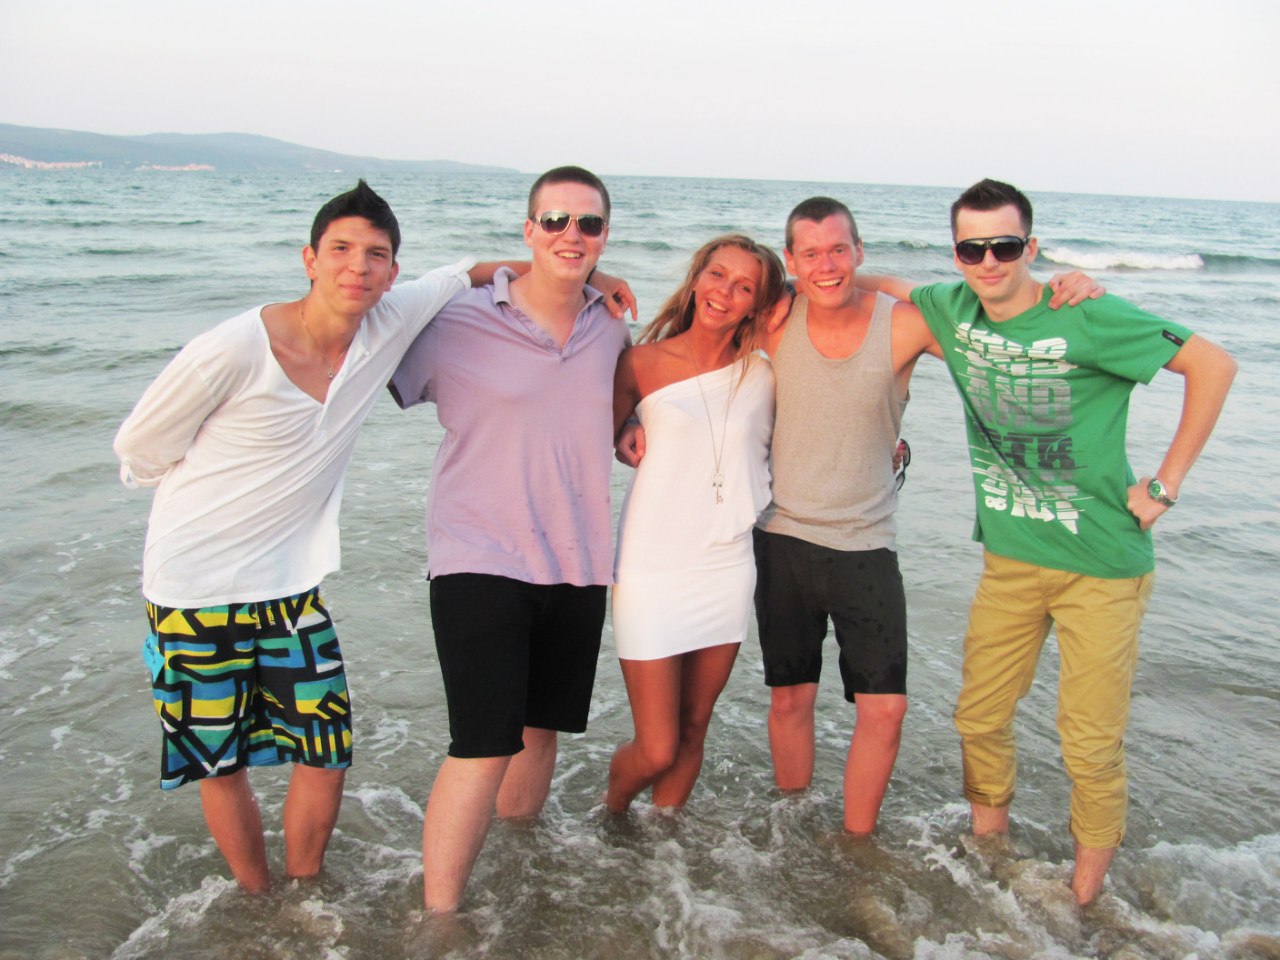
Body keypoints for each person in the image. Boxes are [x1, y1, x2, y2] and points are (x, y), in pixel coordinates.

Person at [618, 197, 1096, 836]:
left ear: (860, 251)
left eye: (839, 251)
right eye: (811, 254)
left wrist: (1063, 291)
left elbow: (985, 321)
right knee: (788, 700)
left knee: (885, 709)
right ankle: (786, 827)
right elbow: (664, 376)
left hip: (866, 544)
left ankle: (855, 843)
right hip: (778, 540)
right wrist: (628, 422)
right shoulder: (775, 322)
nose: (826, 264)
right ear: (792, 262)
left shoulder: (898, 325)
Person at [862, 178, 1236, 904]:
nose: (988, 261)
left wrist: (1165, 485)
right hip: (1010, 562)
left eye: (1005, 246)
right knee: (979, 717)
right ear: (956, 253)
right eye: (972, 248)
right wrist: (817, 275)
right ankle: (990, 852)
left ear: (1030, 247)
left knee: (1089, 743)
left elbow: (1213, 365)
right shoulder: (951, 308)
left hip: (1102, 567)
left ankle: (1083, 902)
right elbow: (873, 283)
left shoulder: (1086, 314)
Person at [115, 181, 497, 892]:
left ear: (392, 271)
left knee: (326, 752)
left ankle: (304, 892)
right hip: (192, 590)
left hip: (292, 589)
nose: (358, 266)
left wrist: (595, 277)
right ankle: (257, 898)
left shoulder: (389, 321)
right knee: (219, 761)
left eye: (375, 255)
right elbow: (139, 448)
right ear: (310, 259)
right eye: (341, 249)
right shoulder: (231, 349)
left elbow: (470, 271)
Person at [389, 166, 631, 913]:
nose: (571, 234)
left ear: (605, 236)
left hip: (578, 560)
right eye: (555, 220)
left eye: (588, 224)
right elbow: (369, 335)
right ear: (528, 230)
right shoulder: (455, 320)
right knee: (483, 742)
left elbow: (625, 405)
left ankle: (517, 880)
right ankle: (440, 924)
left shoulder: (612, 325)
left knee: (539, 730)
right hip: (477, 556)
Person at [606, 235, 786, 813]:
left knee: (693, 726)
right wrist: (624, 429)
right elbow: (594, 438)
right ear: (696, 277)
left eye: (744, 287)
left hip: (727, 563)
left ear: (758, 305)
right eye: (717, 275)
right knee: (656, 746)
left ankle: (663, 839)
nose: (724, 292)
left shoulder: (767, 372)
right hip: (650, 567)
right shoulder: (639, 364)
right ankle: (611, 815)